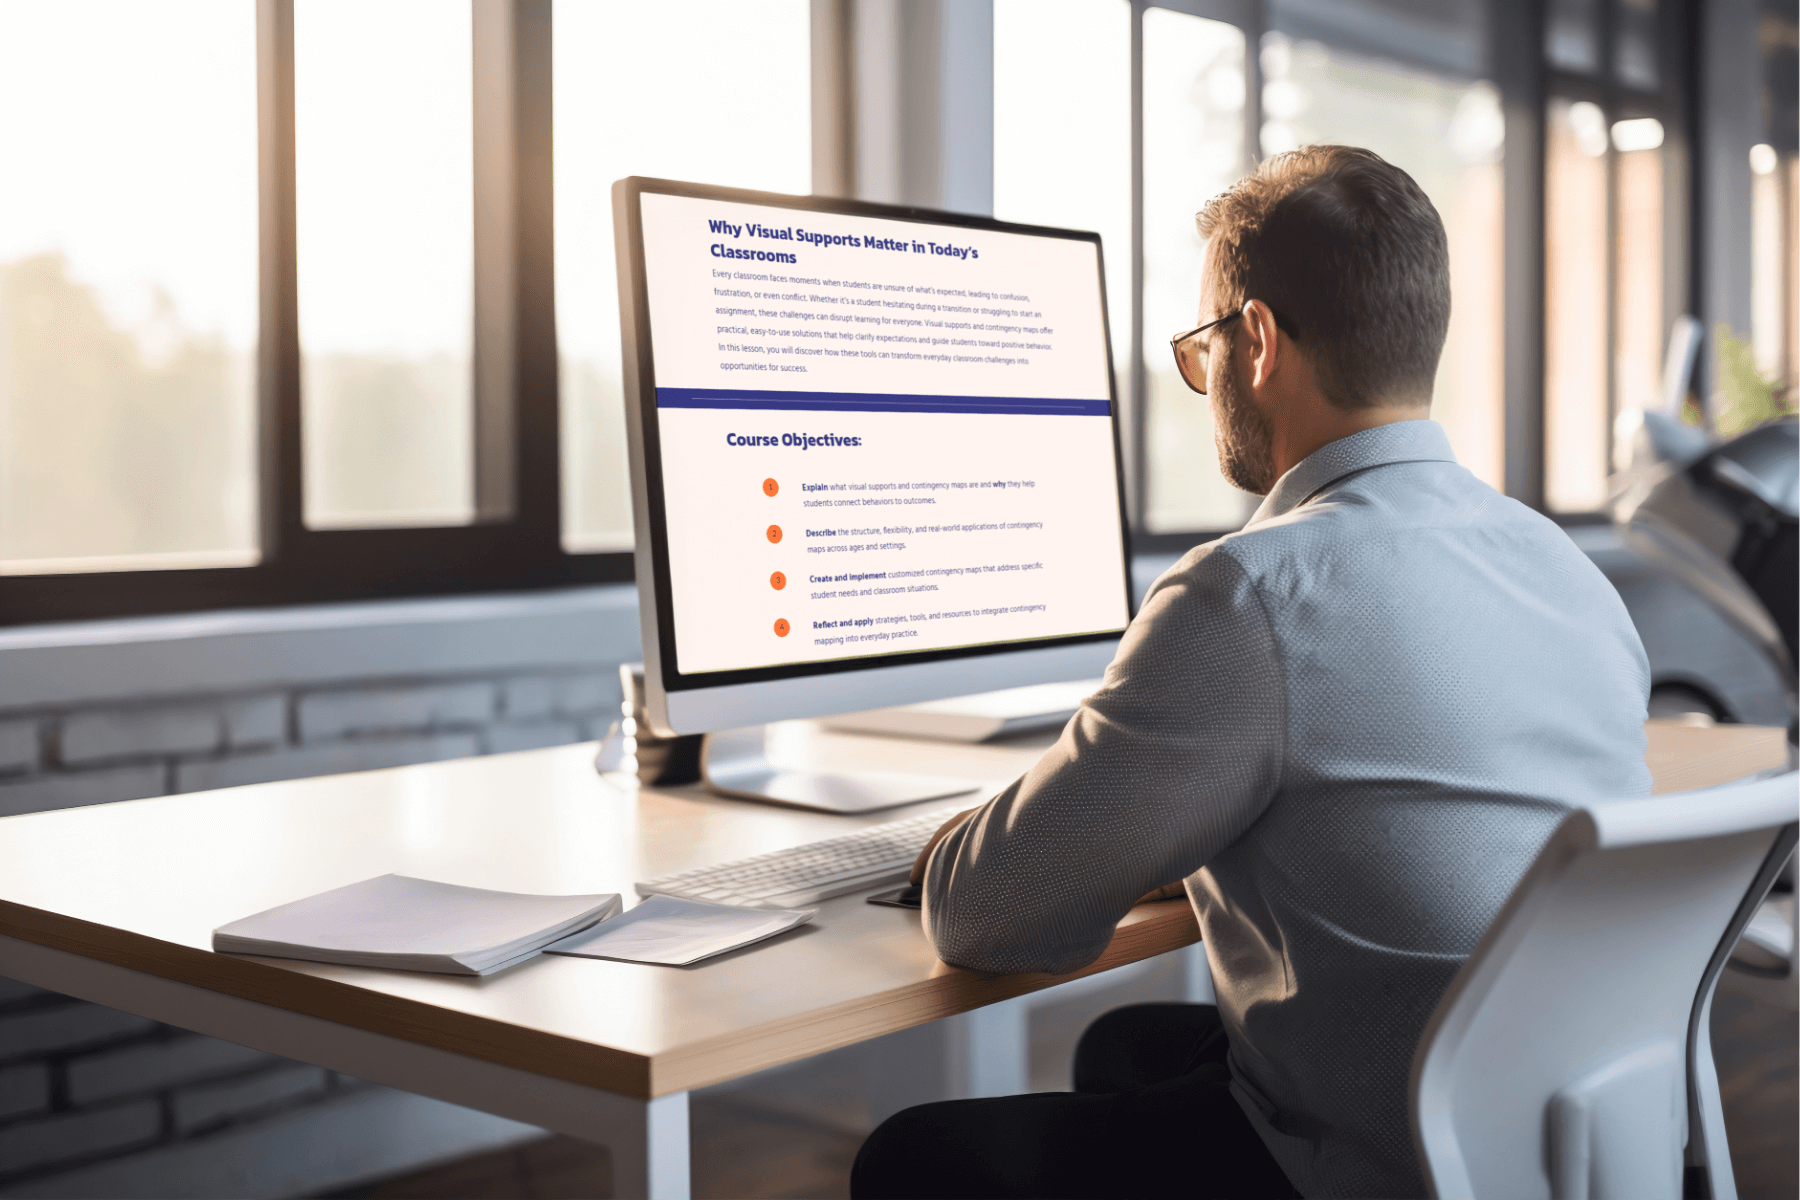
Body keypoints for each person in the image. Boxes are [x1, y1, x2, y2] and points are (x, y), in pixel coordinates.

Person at [849, 145, 1652, 1200]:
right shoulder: (1565, 566)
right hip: (1582, 1145)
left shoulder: (1253, 592)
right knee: (1133, 1046)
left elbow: (990, 916)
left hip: (1390, 1166)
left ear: (1258, 340)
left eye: (1203, 346)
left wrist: (971, 842)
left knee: (913, 1159)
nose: (1207, 376)